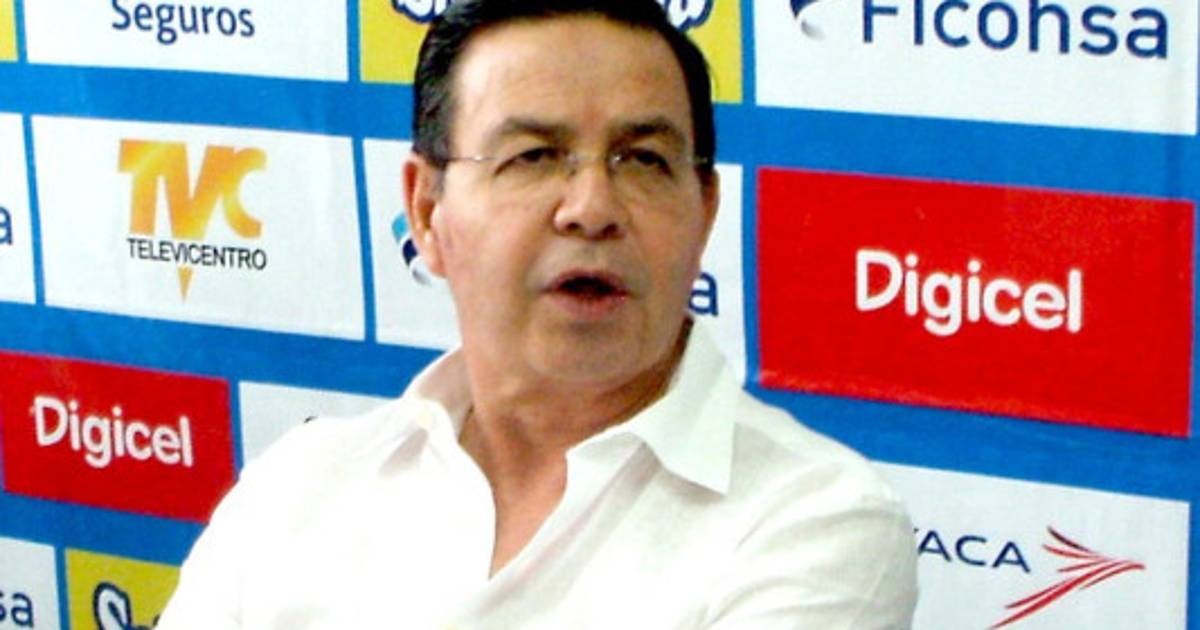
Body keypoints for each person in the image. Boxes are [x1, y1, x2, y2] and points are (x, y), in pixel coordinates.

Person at [158, 0, 917, 627]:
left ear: (705, 212)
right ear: (426, 211)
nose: (591, 208)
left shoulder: (814, 522)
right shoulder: (302, 481)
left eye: (644, 160)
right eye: (533, 156)